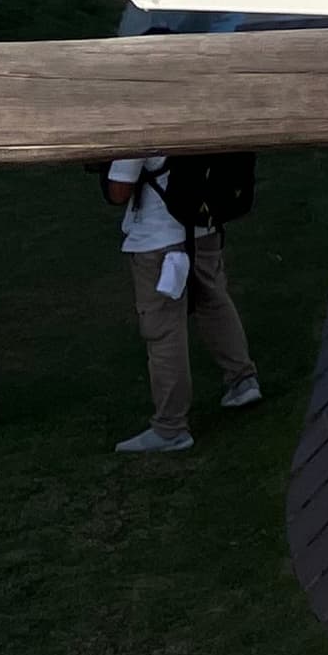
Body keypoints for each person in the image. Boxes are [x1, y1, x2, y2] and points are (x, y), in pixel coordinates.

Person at [103, 150, 260, 455]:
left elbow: (119, 191)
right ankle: (243, 380)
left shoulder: (140, 120)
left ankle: (170, 427)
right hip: (205, 225)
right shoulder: (198, 108)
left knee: (163, 332)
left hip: (158, 240)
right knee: (215, 303)